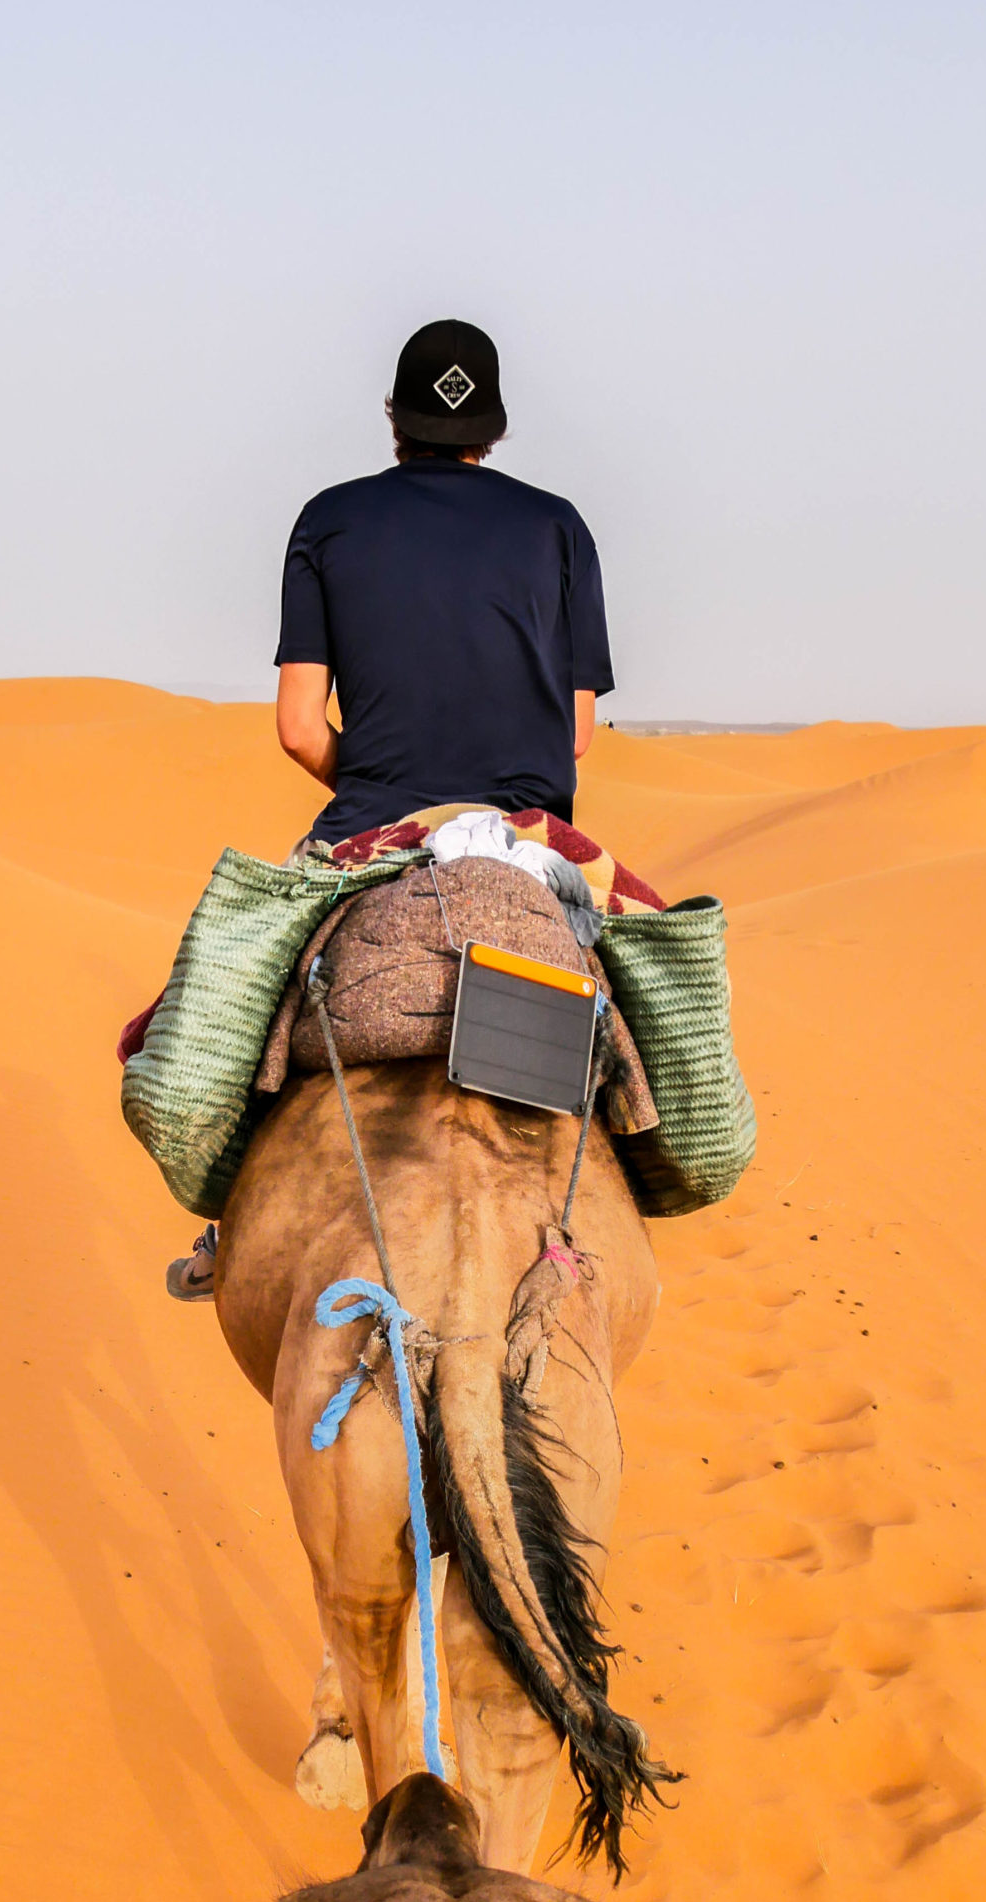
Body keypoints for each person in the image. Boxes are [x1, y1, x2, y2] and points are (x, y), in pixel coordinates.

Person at [166, 318, 615, 1303]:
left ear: (391, 421)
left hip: (370, 822)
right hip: (524, 838)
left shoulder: (328, 520)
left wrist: (384, 787)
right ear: (490, 431)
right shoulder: (556, 527)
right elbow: (573, 735)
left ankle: (226, 1217)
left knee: (241, 1003)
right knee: (646, 995)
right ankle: (637, 1162)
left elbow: (296, 726)